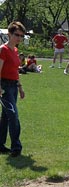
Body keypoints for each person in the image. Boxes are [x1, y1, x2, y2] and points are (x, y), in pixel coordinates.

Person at [0, 21, 26, 157]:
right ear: (9, 34)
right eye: (17, 35)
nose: (19, 38)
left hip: (13, 87)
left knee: (6, 116)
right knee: (13, 115)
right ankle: (16, 147)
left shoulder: (15, 51)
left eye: (22, 36)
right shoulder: (3, 50)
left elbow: (15, 71)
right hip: (4, 87)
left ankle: (0, 144)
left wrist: (20, 87)